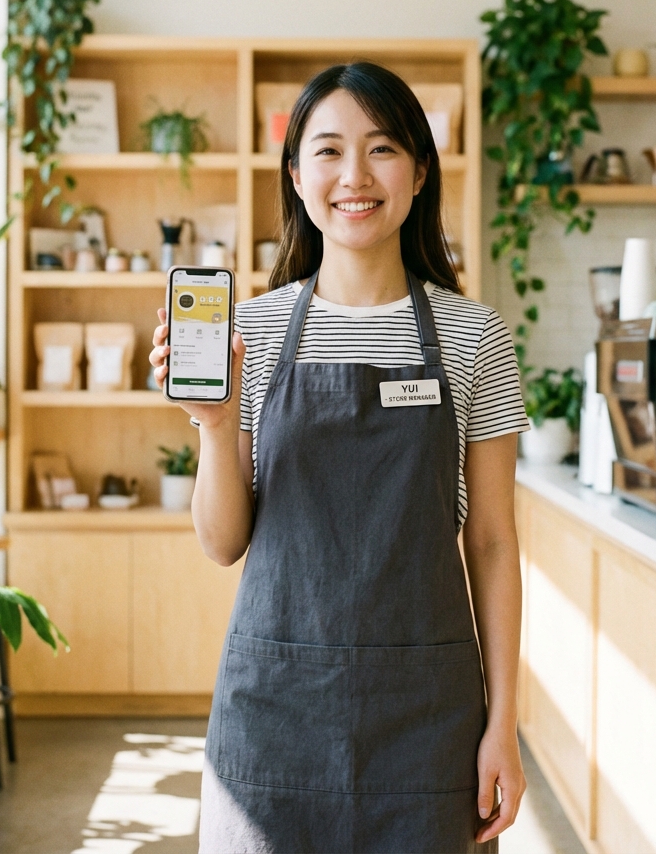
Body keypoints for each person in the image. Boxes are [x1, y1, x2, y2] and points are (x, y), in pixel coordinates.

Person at [150, 61, 528, 853]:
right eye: (327, 151)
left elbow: (492, 542)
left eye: (383, 148)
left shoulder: (473, 336)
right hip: (274, 710)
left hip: (429, 718)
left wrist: (504, 722)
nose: (355, 176)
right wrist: (215, 425)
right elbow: (222, 544)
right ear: (296, 176)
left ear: (420, 172)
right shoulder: (247, 332)